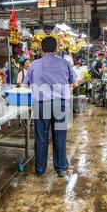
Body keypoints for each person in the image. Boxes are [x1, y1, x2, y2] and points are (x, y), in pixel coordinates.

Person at [23, 36, 78, 177]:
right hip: (60, 104)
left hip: (41, 105)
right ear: (56, 48)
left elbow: (24, 85)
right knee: (59, 136)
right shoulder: (64, 63)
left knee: (41, 137)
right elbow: (74, 82)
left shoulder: (34, 64)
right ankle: (60, 168)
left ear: (41, 48)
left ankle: (40, 170)